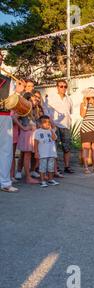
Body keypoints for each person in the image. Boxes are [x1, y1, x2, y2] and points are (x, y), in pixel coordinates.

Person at [0, 51, 20, 192]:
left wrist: (18, 93)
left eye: (1, 57)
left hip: (5, 115)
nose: (1, 59)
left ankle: (5, 182)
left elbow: (12, 102)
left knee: (6, 151)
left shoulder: (9, 80)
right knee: (5, 150)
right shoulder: (7, 80)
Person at [44, 80, 74, 174]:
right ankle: (56, 168)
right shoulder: (51, 98)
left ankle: (67, 167)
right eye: (61, 86)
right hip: (55, 125)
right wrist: (50, 123)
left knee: (67, 147)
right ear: (57, 87)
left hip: (66, 126)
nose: (63, 88)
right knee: (54, 147)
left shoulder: (69, 99)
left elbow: (70, 112)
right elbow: (46, 111)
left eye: (65, 86)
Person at [17, 92, 39, 184]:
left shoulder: (34, 110)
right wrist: (23, 127)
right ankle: (28, 177)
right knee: (27, 156)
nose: (35, 101)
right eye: (33, 99)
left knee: (33, 155)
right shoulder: (24, 109)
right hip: (27, 134)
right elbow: (14, 117)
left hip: (33, 134)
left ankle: (30, 173)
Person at [34, 115, 59, 188]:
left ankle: (51, 179)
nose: (47, 123)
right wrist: (36, 152)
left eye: (49, 122)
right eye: (45, 122)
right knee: (42, 167)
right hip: (43, 154)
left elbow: (54, 138)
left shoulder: (51, 131)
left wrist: (51, 130)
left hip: (51, 153)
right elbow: (36, 143)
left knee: (51, 167)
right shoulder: (37, 132)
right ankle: (42, 181)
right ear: (40, 124)